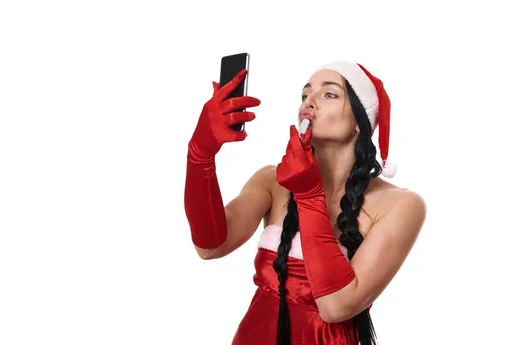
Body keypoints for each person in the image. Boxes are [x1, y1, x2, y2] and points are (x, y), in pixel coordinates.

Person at [183, 61, 427, 345]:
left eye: (330, 94)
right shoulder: (271, 181)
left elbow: (336, 306)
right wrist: (199, 155)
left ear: (361, 121)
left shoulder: (400, 205)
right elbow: (210, 246)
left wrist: (309, 196)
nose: (309, 101)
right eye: (305, 95)